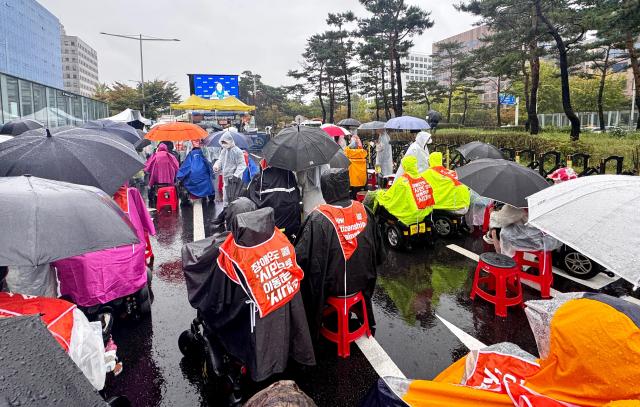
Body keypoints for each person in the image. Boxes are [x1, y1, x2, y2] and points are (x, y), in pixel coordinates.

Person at [182, 202, 315, 382]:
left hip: (248, 318)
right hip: (281, 310)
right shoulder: (278, 240)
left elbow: (214, 296)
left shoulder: (229, 254)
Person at [295, 168, 385, 341]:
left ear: (325, 189)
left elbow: (301, 260)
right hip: (363, 281)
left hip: (331, 287)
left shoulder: (317, 218)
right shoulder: (364, 211)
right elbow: (379, 254)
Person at [246, 163, 301, 241]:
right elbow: (296, 197)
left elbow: (250, 198)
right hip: (290, 227)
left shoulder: (260, 177)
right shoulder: (289, 175)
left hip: (267, 228)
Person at [375, 155, 435, 227]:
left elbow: (389, 196)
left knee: (383, 205)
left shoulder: (402, 181)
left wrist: (379, 193)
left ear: (405, 166)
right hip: (423, 214)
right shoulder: (422, 178)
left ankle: (387, 224)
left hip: (409, 217)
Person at [213, 133, 247, 206]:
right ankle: (226, 212)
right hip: (226, 179)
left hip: (234, 180)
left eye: (225, 142)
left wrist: (236, 175)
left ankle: (233, 213)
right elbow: (220, 160)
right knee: (226, 198)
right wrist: (216, 166)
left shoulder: (237, 151)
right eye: (222, 142)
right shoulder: (224, 151)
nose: (223, 144)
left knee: (233, 198)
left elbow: (242, 164)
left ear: (230, 141)